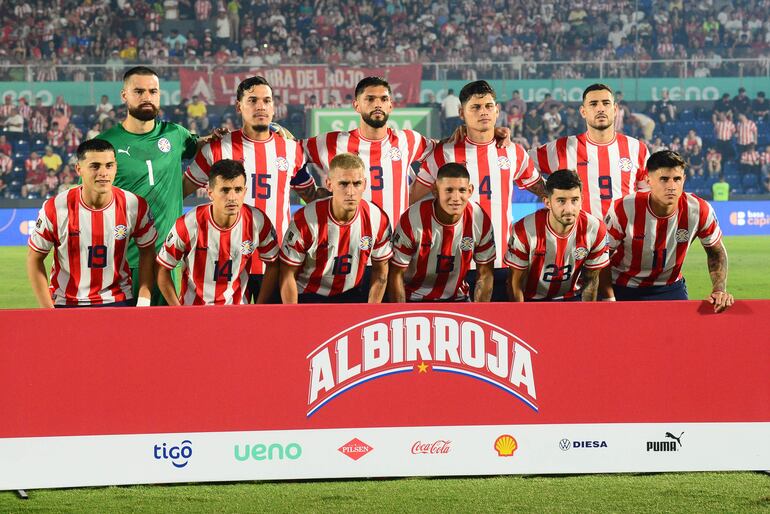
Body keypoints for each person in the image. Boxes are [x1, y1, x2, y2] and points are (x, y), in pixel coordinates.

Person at [97, 66, 224, 305]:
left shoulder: (175, 134)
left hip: (167, 260)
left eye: (153, 91)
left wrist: (218, 136)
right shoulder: (104, 144)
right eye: (139, 91)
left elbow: (204, 144)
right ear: (124, 95)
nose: (147, 97)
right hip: (122, 262)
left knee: (166, 337)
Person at [186, 76, 318, 302]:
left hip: (277, 259)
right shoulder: (217, 149)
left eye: (267, 101)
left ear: (274, 107)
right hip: (227, 261)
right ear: (239, 106)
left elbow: (311, 197)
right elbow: (180, 191)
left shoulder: (291, 150)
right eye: (253, 100)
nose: (261, 106)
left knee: (275, 331)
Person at [411, 80, 546, 301]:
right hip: (452, 263)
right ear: (461, 113)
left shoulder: (513, 152)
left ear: (497, 110)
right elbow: (408, 199)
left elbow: (543, 191)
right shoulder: (444, 154)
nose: (483, 112)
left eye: (488, 106)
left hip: (502, 260)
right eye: (475, 107)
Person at [26, 139, 157, 308]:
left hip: (118, 300)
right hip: (67, 302)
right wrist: (48, 311)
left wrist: (144, 299)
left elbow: (148, 252)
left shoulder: (135, 205)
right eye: (95, 166)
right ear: (78, 169)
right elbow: (34, 259)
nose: (103, 173)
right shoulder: (55, 208)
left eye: (109, 165)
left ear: (116, 167)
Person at [601, 150, 734, 312]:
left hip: (670, 287)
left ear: (683, 180)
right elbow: (602, 257)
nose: (671, 186)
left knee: (682, 337)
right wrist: (608, 297)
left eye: (677, 179)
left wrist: (719, 290)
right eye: (664, 179)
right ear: (648, 180)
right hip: (623, 286)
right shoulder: (624, 208)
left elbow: (716, 252)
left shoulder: (699, 209)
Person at [302, 77, 435, 230]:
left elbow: (441, 151)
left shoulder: (408, 139)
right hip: (349, 242)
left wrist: (413, 194)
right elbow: (292, 152)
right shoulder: (333, 142)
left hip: (394, 241)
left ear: (390, 105)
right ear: (356, 106)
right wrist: (309, 193)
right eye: (370, 99)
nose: (378, 104)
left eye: (384, 99)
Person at [157, 159, 279, 305]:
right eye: (225, 190)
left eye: (238, 190)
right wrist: (178, 311)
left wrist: (259, 306)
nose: (232, 197)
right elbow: (162, 270)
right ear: (210, 193)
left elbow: (274, 263)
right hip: (194, 312)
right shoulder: (189, 224)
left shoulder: (257, 221)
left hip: (237, 314)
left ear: (245, 192)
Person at [279, 153, 392, 303]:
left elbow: (381, 273)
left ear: (364, 184)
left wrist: (370, 312)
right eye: (343, 184)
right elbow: (287, 275)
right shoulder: (306, 219)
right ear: (329, 184)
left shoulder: (378, 219)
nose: (351, 192)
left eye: (357, 183)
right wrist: (293, 317)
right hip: (309, 295)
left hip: (352, 295)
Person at [531, 83, 649, 219]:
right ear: (583, 112)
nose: (600, 109)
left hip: (624, 238)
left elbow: (647, 196)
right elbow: (520, 162)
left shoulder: (637, 149)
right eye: (593, 104)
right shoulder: (562, 147)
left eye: (606, 103)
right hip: (579, 237)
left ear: (615, 109)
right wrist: (547, 192)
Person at [389, 162, 495, 302]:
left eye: (462, 190)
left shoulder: (479, 219)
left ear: (470, 191)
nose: (456, 198)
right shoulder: (413, 219)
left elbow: (485, 274)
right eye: (449, 190)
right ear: (435, 190)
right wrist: (402, 315)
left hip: (457, 299)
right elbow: (396, 274)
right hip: (413, 298)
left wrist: (479, 317)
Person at [505, 169, 608, 302]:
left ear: (582, 199)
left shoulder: (596, 229)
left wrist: (586, 318)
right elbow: (515, 284)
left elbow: (591, 281)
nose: (569, 209)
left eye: (574, 200)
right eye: (561, 201)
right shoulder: (524, 230)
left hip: (572, 298)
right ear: (547, 202)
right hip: (531, 301)